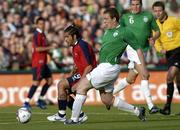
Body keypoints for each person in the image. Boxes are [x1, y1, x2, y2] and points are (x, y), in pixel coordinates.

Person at [64, 8, 147, 125]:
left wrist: (142, 67)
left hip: (109, 68)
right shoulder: (107, 31)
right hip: (104, 67)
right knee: (107, 99)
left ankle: (74, 119)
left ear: (114, 19)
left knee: (81, 87)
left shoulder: (125, 31)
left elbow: (138, 49)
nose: (104, 22)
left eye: (106, 19)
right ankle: (138, 111)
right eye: (103, 19)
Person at [113, 0, 160, 114]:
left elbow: (157, 31)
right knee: (145, 74)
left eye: (137, 4)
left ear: (141, 5)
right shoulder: (125, 17)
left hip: (145, 50)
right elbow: (119, 32)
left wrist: (153, 38)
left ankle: (110, 93)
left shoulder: (148, 16)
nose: (135, 7)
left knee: (130, 79)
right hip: (132, 49)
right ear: (130, 6)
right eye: (133, 5)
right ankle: (151, 105)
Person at [47, 25, 97, 122]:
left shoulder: (81, 46)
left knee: (61, 85)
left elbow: (89, 66)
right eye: (64, 37)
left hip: (89, 75)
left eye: (67, 37)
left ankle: (62, 115)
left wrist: (80, 83)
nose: (65, 39)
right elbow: (77, 65)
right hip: (82, 74)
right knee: (63, 88)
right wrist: (71, 75)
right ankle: (79, 115)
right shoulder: (75, 47)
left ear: (74, 36)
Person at [152, 1, 180, 115]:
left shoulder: (174, 21)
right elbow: (156, 41)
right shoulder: (155, 25)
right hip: (169, 54)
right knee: (178, 81)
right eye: (156, 11)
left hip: (178, 50)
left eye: (160, 10)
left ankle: (167, 107)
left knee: (170, 76)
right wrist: (160, 49)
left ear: (164, 10)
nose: (158, 13)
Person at [23, 17, 56, 110]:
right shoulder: (36, 34)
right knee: (36, 83)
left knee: (49, 81)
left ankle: (40, 100)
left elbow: (43, 48)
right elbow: (37, 49)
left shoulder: (42, 34)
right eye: (41, 24)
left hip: (43, 63)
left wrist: (49, 53)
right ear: (37, 25)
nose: (43, 25)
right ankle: (26, 102)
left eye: (43, 23)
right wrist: (49, 48)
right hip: (38, 63)